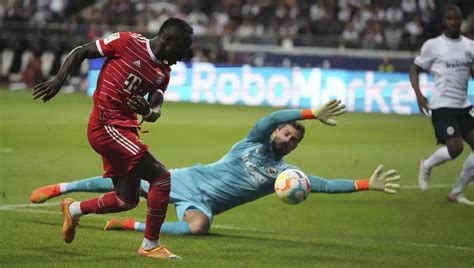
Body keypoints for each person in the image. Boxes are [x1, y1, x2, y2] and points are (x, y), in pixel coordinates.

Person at [31, 99, 401, 235]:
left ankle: (131, 224)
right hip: (188, 179)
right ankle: (62, 188)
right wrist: (309, 114)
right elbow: (272, 115)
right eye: (286, 133)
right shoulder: (254, 140)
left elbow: (320, 184)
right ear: (277, 132)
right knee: (130, 184)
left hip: (203, 203)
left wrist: (366, 183)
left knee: (199, 226)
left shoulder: (284, 175)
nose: (287, 139)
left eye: (294, 139)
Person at [32, 18, 193, 259]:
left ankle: (73, 209)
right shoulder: (127, 41)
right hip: (105, 126)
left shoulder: (163, 73)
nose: (182, 57)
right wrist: (59, 80)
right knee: (161, 177)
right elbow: (81, 51)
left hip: (125, 130)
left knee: (126, 200)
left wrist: (147, 111)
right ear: (168, 40)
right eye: (181, 50)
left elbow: (155, 111)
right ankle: (150, 245)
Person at [409, 5, 474, 206]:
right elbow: (415, 68)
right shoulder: (433, 45)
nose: (453, 22)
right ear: (444, 22)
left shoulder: (470, 46)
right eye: (449, 19)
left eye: (457, 18)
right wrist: (419, 95)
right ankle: (426, 164)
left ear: (461, 20)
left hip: (463, 105)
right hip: (441, 105)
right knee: (455, 148)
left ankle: (456, 193)